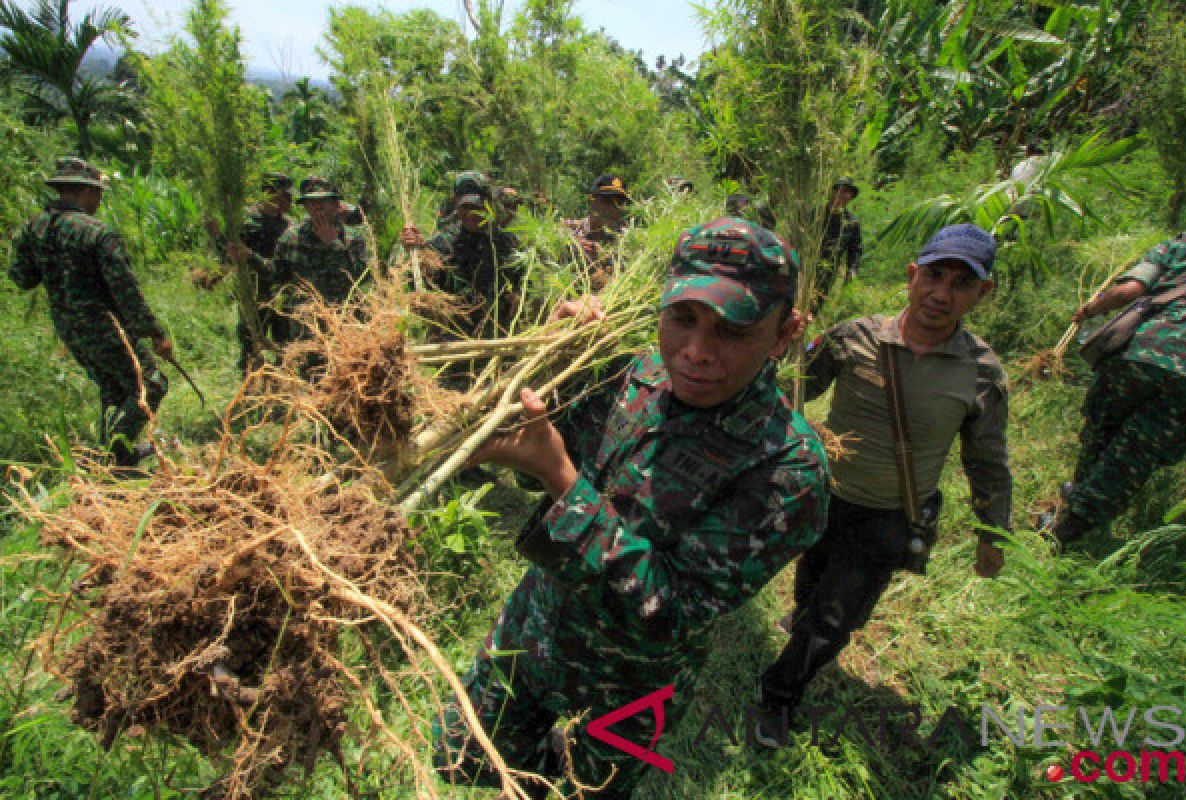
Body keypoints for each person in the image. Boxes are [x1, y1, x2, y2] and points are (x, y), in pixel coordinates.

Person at [432, 217, 830, 799]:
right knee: (457, 758)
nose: (696, 352)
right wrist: (541, 364)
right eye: (683, 319)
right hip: (535, 626)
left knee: (584, 795)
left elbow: (672, 608)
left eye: (733, 331)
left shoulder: (789, 467)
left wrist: (562, 481)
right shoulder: (635, 375)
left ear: (783, 334)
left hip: (636, 688)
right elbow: (524, 449)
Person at [756, 222, 1012, 747]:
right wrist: (783, 346)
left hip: (890, 515)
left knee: (834, 620)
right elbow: (792, 387)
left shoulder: (981, 373)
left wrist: (993, 531)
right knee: (813, 579)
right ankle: (802, 618)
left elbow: (987, 459)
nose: (941, 293)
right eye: (934, 276)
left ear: (981, 294)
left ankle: (778, 697)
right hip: (823, 495)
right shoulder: (854, 337)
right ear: (913, 274)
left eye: (961, 284)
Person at [8, 156, 172, 468]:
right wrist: (155, 333)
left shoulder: (35, 229)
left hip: (69, 327)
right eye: (98, 194)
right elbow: (126, 291)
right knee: (151, 384)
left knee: (112, 389)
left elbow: (22, 278)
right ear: (85, 192)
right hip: (106, 326)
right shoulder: (97, 233)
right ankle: (113, 456)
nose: (99, 200)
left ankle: (111, 460)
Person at [1048, 232, 1186, 545]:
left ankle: (1073, 509)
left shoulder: (1182, 245)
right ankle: (1074, 525)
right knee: (1135, 455)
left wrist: (1092, 309)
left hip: (1141, 351)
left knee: (1102, 429)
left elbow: (1131, 290)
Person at [401, 187, 523, 338]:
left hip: (498, 337)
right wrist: (418, 254)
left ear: (489, 206)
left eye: (477, 207)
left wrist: (519, 295)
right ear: (457, 209)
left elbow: (524, 280)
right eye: (465, 207)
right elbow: (422, 287)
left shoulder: (506, 242)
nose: (471, 214)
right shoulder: (443, 242)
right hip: (452, 338)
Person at [271, 176, 371, 344]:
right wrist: (249, 257)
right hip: (306, 325)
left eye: (323, 201)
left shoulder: (352, 238)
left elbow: (362, 276)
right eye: (311, 203)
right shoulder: (291, 237)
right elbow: (276, 274)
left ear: (335, 204)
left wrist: (334, 244)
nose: (317, 207)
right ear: (305, 207)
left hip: (345, 321)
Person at [224, 171, 294, 373]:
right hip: (254, 290)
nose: (289, 201)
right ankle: (251, 381)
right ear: (269, 193)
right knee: (251, 338)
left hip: (280, 290)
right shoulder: (246, 222)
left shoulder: (287, 224)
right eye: (285, 196)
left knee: (284, 340)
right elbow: (226, 255)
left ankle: (284, 381)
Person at [563, 173, 632, 290]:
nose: (613, 209)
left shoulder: (625, 241)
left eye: (619, 204)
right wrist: (569, 244)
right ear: (591, 202)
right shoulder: (569, 231)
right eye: (607, 201)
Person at [812, 177, 863, 313]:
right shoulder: (816, 214)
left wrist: (852, 269)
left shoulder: (852, 222)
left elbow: (855, 249)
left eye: (847, 192)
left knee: (816, 304)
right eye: (840, 190)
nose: (843, 195)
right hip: (807, 265)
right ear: (831, 192)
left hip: (828, 270)